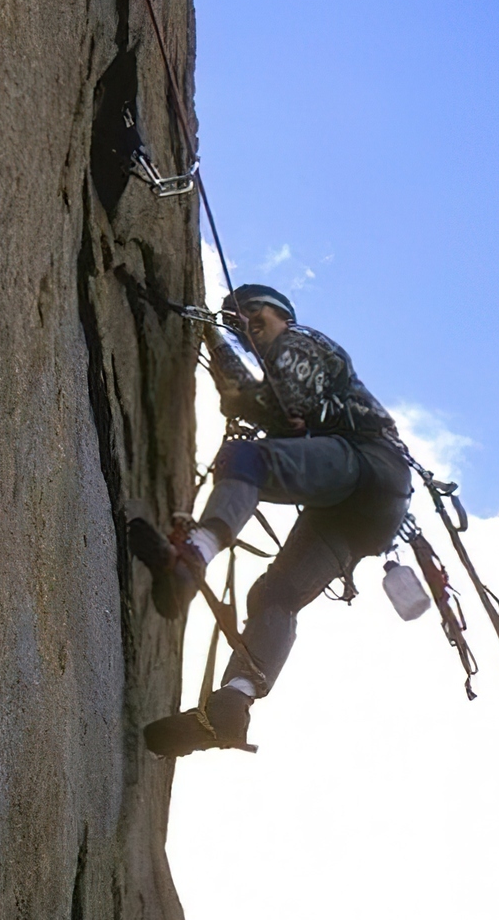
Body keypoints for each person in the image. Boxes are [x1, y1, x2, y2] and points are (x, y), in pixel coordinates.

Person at [130, 283, 412, 756]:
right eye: (242, 325)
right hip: (364, 515)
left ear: (283, 315)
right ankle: (232, 705)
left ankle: (191, 557)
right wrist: (216, 343)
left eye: (255, 318)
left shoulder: (302, 341)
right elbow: (254, 399)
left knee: (246, 458)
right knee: (275, 595)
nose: (250, 328)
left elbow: (281, 404)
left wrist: (233, 358)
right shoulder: (284, 360)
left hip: (366, 465)